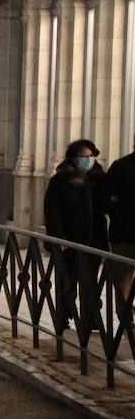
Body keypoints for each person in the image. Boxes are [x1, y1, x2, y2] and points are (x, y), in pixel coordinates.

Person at [45, 139, 109, 329]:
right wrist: (57, 235)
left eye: (91, 156)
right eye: (84, 156)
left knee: (90, 279)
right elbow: (52, 209)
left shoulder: (99, 180)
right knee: (66, 279)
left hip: (94, 238)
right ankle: (63, 315)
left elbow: (106, 205)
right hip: (69, 238)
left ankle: (91, 318)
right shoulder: (60, 180)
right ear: (74, 158)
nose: (88, 160)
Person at [99, 136, 135, 313]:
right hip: (124, 233)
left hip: (122, 230)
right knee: (124, 273)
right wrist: (122, 217)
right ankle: (124, 312)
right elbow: (108, 199)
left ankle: (125, 310)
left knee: (125, 273)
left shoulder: (120, 165)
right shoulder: (121, 166)